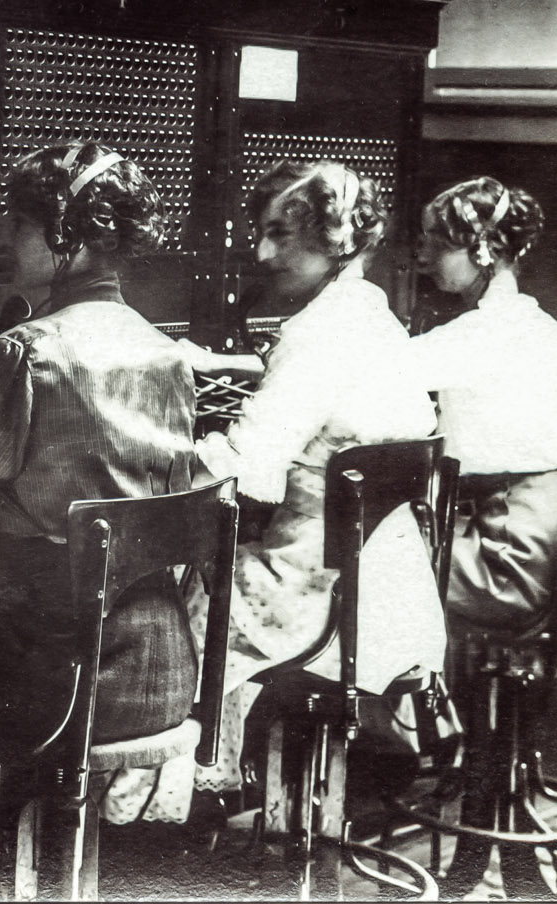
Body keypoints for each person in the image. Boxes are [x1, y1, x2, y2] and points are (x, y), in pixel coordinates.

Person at [0, 141, 201, 823]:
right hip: (163, 668)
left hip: (61, 678)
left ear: (67, 234)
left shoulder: (30, 350)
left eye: (20, 224)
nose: (7, 241)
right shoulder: (171, 356)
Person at [180, 159, 444, 792]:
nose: (263, 252)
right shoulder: (373, 314)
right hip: (387, 586)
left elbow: (252, 476)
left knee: (163, 587)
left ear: (333, 242)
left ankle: (174, 789)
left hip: (315, 597)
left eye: (281, 235)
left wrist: (173, 450)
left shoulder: (319, 333)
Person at [408, 176, 557, 635]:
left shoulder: (487, 333)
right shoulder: (541, 327)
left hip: (508, 566)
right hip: (554, 560)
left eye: (437, 243)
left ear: (480, 251)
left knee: (361, 563)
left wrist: (228, 363)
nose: (422, 256)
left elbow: (362, 371)